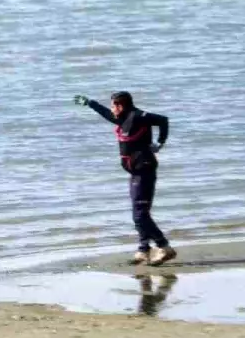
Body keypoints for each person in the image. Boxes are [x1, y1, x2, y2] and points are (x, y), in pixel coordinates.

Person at [73, 91, 176, 265]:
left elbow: (163, 120)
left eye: (113, 105)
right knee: (139, 213)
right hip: (135, 171)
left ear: (120, 106)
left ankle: (164, 247)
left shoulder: (139, 116)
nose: (112, 108)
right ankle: (144, 250)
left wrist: (160, 143)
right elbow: (106, 114)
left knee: (140, 215)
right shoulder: (122, 118)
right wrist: (90, 103)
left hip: (144, 169)